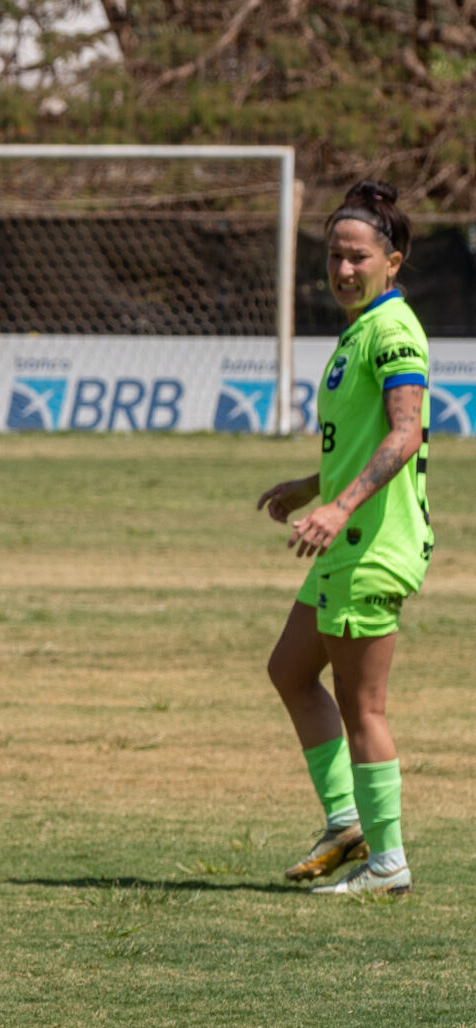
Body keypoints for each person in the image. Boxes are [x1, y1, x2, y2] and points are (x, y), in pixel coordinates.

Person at [256, 181, 432, 896]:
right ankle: (345, 822)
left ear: (394, 259)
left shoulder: (393, 330)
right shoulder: (361, 329)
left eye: (358, 256)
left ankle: (387, 862)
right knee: (290, 671)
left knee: (365, 709)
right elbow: (362, 436)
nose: (344, 269)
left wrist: (341, 504)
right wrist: (312, 485)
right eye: (334, 255)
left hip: (372, 541)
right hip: (347, 537)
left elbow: (405, 432)